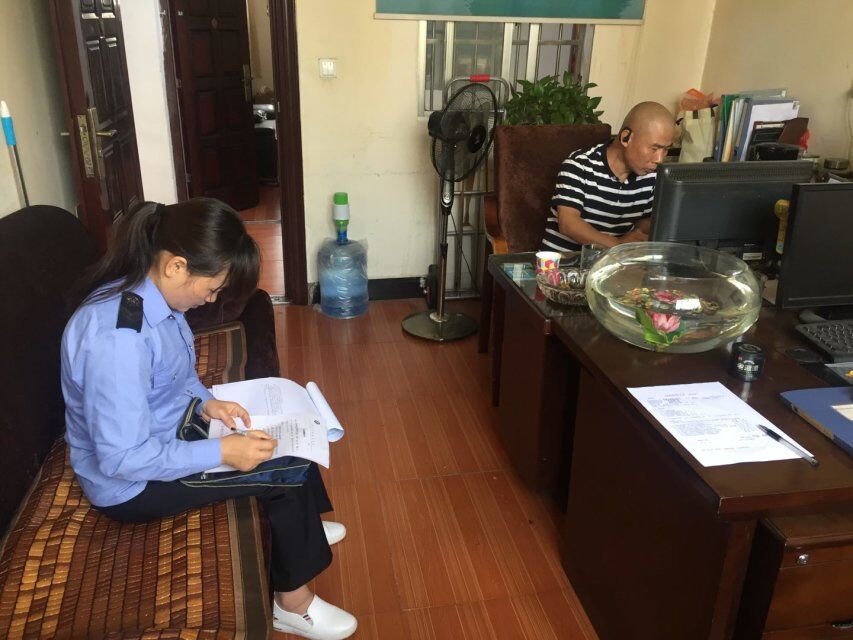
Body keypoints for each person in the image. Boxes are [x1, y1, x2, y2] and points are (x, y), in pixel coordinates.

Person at [60, 198, 357, 640]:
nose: (211, 299)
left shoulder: (151, 298)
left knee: (282, 431)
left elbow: (174, 377)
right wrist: (222, 451)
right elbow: (123, 458)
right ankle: (292, 605)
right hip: (131, 484)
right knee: (286, 470)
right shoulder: (117, 342)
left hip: (168, 429)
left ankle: (303, 528)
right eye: (212, 288)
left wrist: (206, 403)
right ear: (177, 266)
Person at [540, 101, 676, 252]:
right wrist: (618, 246)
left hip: (612, 263)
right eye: (654, 148)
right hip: (563, 263)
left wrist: (637, 234)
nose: (659, 159)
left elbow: (648, 219)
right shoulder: (579, 165)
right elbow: (568, 224)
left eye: (666, 149)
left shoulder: (652, 176)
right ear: (626, 137)